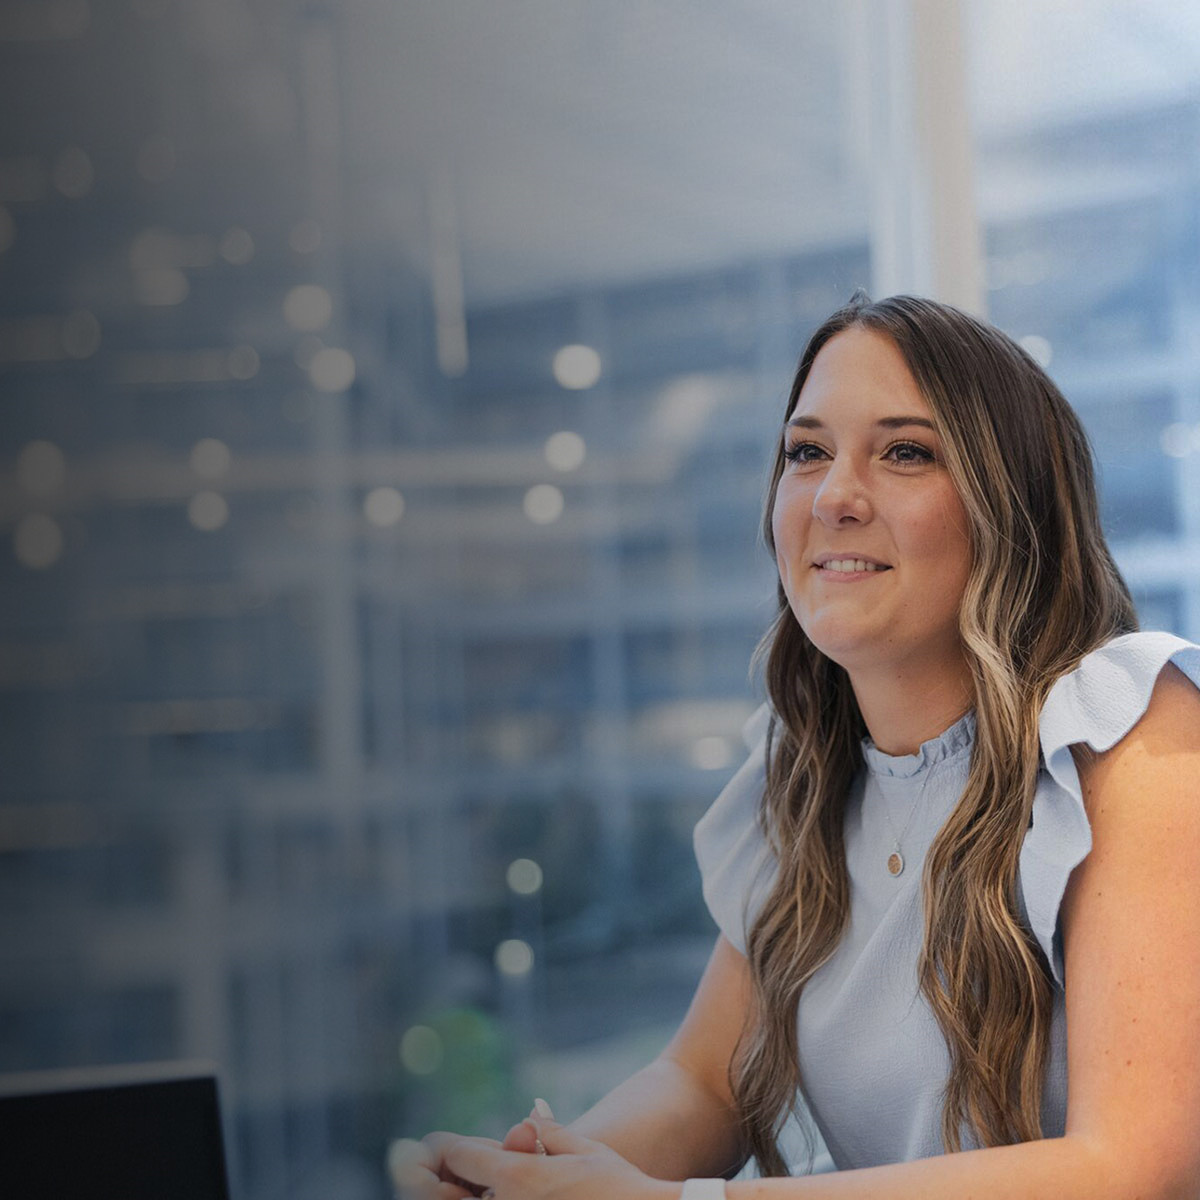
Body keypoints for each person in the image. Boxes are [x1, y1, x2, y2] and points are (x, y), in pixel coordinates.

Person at [402, 294, 1200, 1200]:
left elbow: (1138, 1169)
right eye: (806, 452)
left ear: (1009, 505)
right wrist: (517, 1180)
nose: (834, 497)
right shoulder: (806, 776)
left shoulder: (1131, 726)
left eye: (905, 452)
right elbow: (705, 1084)